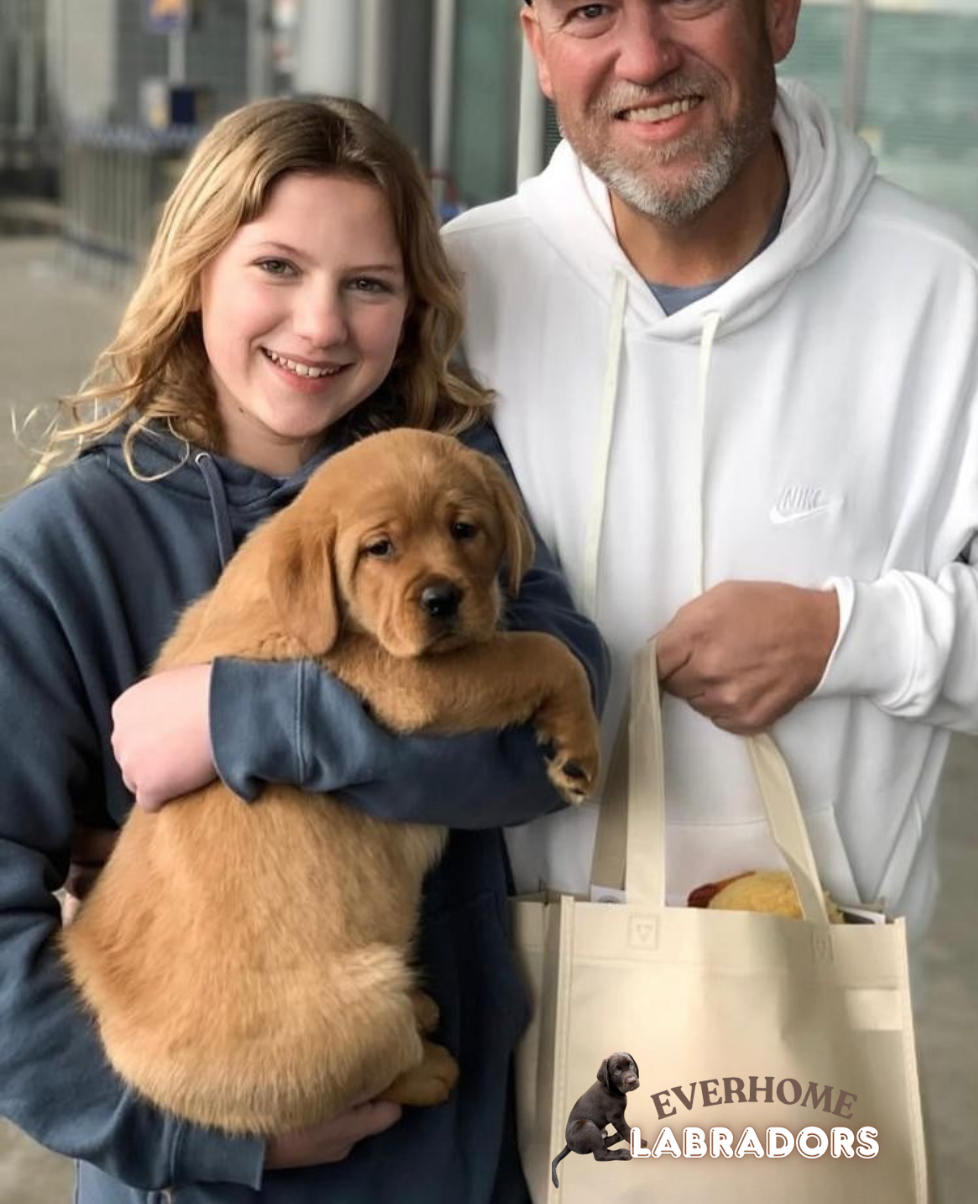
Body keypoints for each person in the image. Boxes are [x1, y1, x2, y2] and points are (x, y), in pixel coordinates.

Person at [436, 0, 978, 935]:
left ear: (778, 5)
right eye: (590, 12)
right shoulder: (462, 289)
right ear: (536, 47)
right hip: (503, 1008)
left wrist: (847, 635)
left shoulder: (943, 297)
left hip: (801, 1028)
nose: (643, 56)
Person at [0, 96, 606, 1203]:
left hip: (460, 1152)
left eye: (367, 283)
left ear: (413, 304)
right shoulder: (59, 548)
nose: (320, 324)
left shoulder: (448, 473)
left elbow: (544, 747)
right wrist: (202, 1142)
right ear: (195, 271)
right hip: (193, 1171)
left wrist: (242, 719)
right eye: (275, 266)